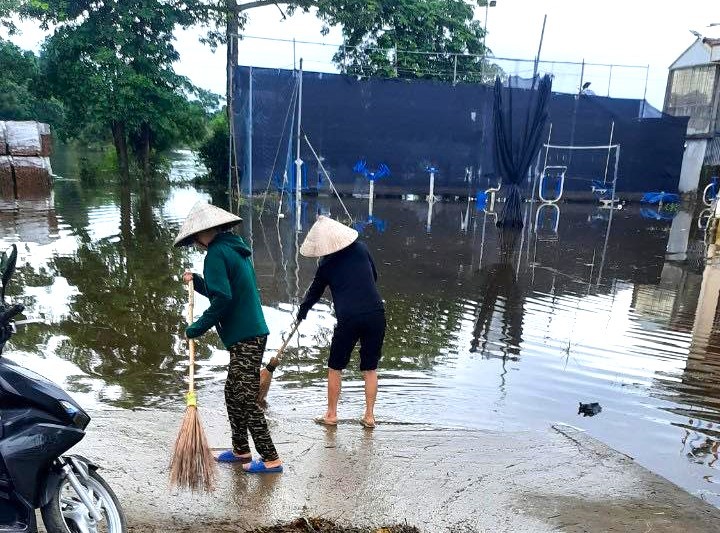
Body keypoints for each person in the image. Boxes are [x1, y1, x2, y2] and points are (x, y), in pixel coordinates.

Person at [174, 201, 282, 474]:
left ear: (200, 234)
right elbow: (221, 289)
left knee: (245, 398)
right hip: (248, 334)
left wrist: (196, 328)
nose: (196, 243)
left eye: (195, 239)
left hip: (247, 336)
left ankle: (271, 459)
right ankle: (240, 449)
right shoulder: (231, 248)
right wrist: (197, 281)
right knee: (233, 394)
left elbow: (223, 298)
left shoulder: (216, 254)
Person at [297, 215, 386, 429]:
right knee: (370, 368)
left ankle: (331, 414)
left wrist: (302, 312)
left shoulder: (326, 265)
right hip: (376, 314)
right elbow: (374, 276)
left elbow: (314, 293)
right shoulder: (362, 248)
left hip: (349, 318)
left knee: (335, 366)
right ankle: (369, 416)